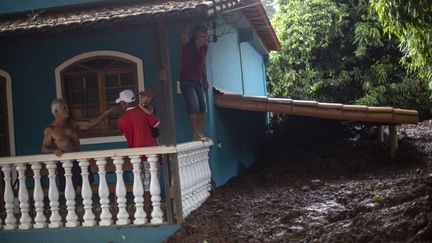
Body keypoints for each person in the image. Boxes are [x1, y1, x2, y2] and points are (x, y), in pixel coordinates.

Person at [41, 98, 113, 190]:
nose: (68, 110)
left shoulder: (72, 124)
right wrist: (54, 151)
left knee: (86, 188)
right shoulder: (50, 129)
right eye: (64, 108)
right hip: (65, 164)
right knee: (69, 191)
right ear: (56, 111)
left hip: (80, 161)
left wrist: (106, 113)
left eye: (67, 108)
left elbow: (90, 123)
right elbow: (44, 148)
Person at [116, 89, 160, 217]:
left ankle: (142, 214)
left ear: (124, 103)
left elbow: (127, 134)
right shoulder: (144, 112)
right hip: (151, 154)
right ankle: (150, 212)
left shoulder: (121, 120)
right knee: (151, 186)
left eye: (121, 103)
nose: (121, 105)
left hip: (136, 157)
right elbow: (157, 125)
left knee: (139, 186)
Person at [180, 24, 210, 141]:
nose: (207, 39)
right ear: (198, 36)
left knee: (203, 107)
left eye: (207, 37)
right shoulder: (188, 44)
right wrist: (189, 20)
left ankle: (198, 133)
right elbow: (183, 35)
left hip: (198, 80)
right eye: (205, 37)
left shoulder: (204, 48)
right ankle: (196, 134)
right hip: (187, 81)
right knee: (194, 107)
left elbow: (202, 63)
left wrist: (205, 78)